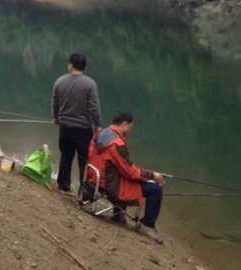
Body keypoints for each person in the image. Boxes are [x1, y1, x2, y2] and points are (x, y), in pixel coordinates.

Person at [85, 112, 165, 243]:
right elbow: (130, 172)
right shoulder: (117, 143)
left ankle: (119, 214)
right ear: (124, 124)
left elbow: (114, 163)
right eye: (129, 127)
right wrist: (153, 175)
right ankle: (147, 225)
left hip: (95, 179)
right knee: (155, 188)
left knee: (123, 175)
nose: (129, 130)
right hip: (110, 185)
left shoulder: (102, 133)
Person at [52, 53, 102, 194]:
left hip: (65, 127)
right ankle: (83, 190)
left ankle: (63, 185)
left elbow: (55, 102)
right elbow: (94, 107)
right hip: (83, 130)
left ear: (71, 64)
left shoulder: (60, 81)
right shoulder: (90, 84)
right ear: (84, 66)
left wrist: (55, 118)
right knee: (84, 160)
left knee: (66, 155)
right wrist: (98, 125)